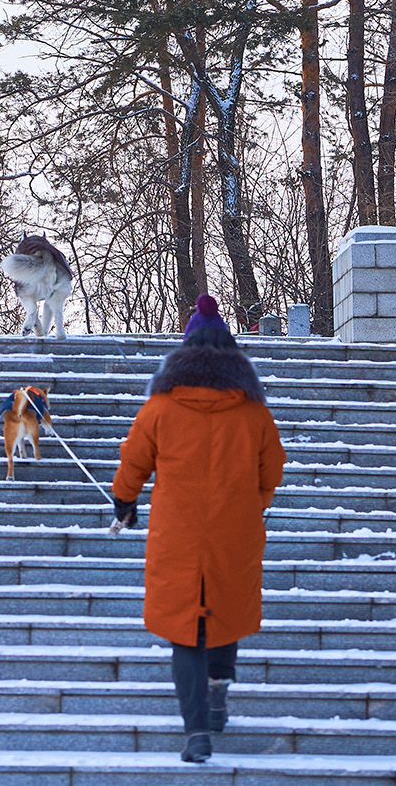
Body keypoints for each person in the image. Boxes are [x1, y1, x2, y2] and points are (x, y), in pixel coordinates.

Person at [111, 293, 286, 763]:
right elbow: (272, 471)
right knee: (225, 609)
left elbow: (133, 462)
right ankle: (218, 695)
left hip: (178, 532)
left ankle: (195, 732)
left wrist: (124, 504)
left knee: (185, 628)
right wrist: (251, 506)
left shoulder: (162, 408)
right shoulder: (253, 412)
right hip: (236, 529)